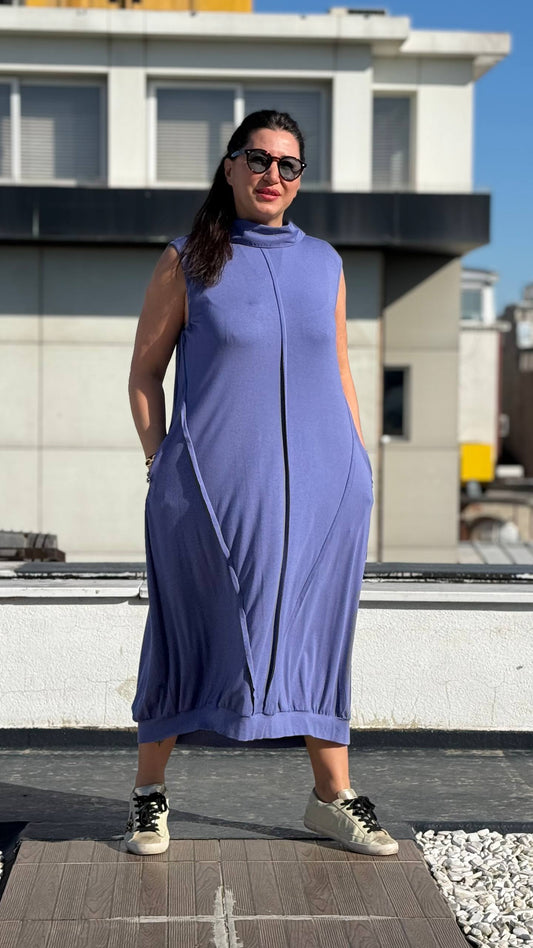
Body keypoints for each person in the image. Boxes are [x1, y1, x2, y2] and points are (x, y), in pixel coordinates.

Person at [125, 109, 398, 858]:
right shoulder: (187, 260)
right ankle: (149, 795)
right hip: (209, 492)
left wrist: (356, 465)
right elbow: (145, 374)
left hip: (324, 485)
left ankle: (331, 795)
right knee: (187, 627)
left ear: (299, 179)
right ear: (230, 166)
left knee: (314, 631)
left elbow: (335, 368)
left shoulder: (325, 264)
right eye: (259, 159)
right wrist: (162, 468)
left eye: (288, 164)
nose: (273, 175)